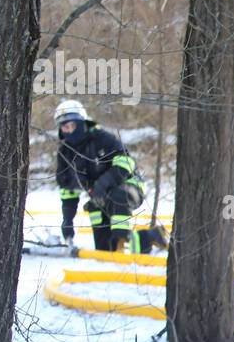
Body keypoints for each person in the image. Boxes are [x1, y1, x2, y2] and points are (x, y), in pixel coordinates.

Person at [55, 100, 161, 255]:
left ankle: (125, 243)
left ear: (82, 122)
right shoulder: (65, 153)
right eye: (65, 127)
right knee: (104, 250)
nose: (70, 131)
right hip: (99, 198)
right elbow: (67, 189)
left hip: (129, 188)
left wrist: (103, 184)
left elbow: (127, 163)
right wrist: (67, 221)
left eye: (73, 125)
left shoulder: (102, 138)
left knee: (118, 200)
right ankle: (148, 238)